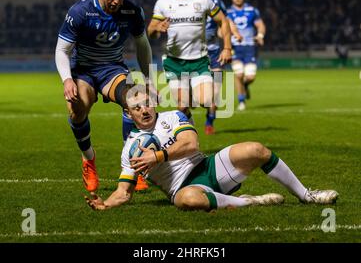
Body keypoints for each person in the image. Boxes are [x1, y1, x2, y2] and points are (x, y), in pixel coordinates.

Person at [85, 84, 338, 211]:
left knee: (257, 149)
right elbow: (124, 192)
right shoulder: (130, 150)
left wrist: (158, 156)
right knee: (186, 200)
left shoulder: (172, 116)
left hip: (208, 167)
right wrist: (105, 204)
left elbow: (192, 144)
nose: (144, 109)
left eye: (147, 103)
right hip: (185, 188)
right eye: (137, 107)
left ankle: (307, 195)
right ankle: (249, 202)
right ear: (128, 113)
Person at [55, 0, 153, 193]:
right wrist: (67, 80)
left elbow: (142, 44)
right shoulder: (80, 11)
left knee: (135, 100)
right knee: (76, 109)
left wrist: (147, 78)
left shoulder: (132, 11)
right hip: (84, 71)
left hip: (112, 70)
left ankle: (134, 168)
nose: (117, 1)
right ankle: (88, 159)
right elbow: (62, 50)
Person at [147, 0, 232, 125]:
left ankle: (191, 94)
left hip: (199, 62)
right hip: (174, 62)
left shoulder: (204, 0)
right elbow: (150, 32)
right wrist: (158, 27)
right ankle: (186, 138)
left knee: (206, 100)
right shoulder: (163, 3)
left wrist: (227, 48)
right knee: (182, 105)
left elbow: (223, 21)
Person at [191, 0, 235, 135]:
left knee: (214, 94)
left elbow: (225, 22)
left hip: (215, 54)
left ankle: (210, 120)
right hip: (193, 55)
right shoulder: (182, 3)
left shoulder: (215, 1)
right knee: (193, 97)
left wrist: (227, 45)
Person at [227, 0, 266, 111]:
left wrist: (260, 35)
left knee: (250, 77)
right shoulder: (227, 12)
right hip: (235, 47)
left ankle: (245, 85)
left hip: (250, 47)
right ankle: (241, 100)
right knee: (238, 74)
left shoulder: (252, 10)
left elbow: (260, 25)